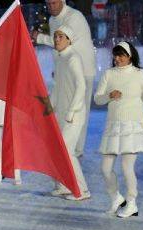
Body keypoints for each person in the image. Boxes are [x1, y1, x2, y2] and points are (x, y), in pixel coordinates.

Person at [94, 42, 143, 217]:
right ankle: (115, 198)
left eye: (121, 55)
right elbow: (97, 99)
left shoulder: (139, 74)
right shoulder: (109, 74)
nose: (117, 59)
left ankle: (132, 203)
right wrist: (109, 96)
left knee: (127, 168)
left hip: (132, 126)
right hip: (113, 126)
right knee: (105, 168)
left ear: (130, 56)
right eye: (115, 55)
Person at [32, 0, 96, 158]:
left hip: (84, 70)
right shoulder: (53, 19)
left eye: (54, 3)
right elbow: (60, 48)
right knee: (61, 107)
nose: (50, 7)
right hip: (66, 69)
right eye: (48, 4)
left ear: (62, 2)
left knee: (79, 110)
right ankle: (65, 145)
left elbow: (61, 41)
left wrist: (39, 37)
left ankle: (76, 150)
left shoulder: (74, 17)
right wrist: (59, 69)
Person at [49, 26, 89, 201]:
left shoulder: (73, 58)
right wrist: (47, 109)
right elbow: (57, 88)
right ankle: (64, 185)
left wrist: (73, 110)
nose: (57, 39)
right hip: (61, 113)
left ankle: (82, 189)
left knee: (66, 150)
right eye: (55, 36)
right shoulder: (60, 59)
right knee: (57, 149)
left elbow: (82, 86)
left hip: (74, 114)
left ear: (69, 40)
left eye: (61, 36)